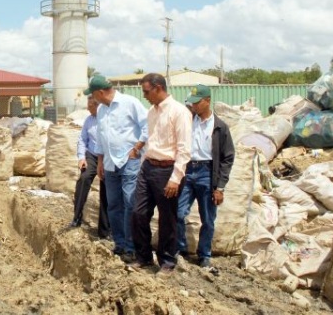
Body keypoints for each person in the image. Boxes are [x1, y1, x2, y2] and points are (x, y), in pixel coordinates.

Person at [131, 73, 192, 273]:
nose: (145, 95)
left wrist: (176, 178)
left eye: (146, 91)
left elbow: (184, 149)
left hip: (168, 170)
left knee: (167, 218)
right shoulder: (152, 112)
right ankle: (144, 257)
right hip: (148, 167)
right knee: (138, 212)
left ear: (158, 88)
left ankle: (167, 261)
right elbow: (151, 141)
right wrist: (143, 164)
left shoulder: (179, 112)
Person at [85, 75, 148, 261]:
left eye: (93, 94)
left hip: (129, 161)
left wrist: (137, 148)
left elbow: (147, 126)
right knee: (113, 205)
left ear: (100, 92)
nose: (92, 98)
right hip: (110, 163)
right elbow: (102, 138)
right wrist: (100, 161)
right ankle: (119, 244)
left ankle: (131, 246)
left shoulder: (130, 103)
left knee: (130, 203)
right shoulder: (102, 110)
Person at [177, 84, 235, 268]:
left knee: (208, 219)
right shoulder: (188, 121)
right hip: (187, 171)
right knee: (178, 212)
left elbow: (227, 157)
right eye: (191, 103)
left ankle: (204, 255)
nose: (193, 106)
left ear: (207, 101)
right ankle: (180, 248)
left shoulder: (219, 127)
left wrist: (220, 187)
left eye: (197, 103)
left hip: (207, 173)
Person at [70, 96, 110, 239]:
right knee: (84, 178)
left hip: (107, 157)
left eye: (90, 106)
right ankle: (76, 217)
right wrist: (81, 157)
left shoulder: (107, 118)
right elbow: (82, 139)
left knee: (106, 190)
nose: (88, 108)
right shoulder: (89, 120)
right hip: (92, 156)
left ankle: (104, 231)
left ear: (98, 106)